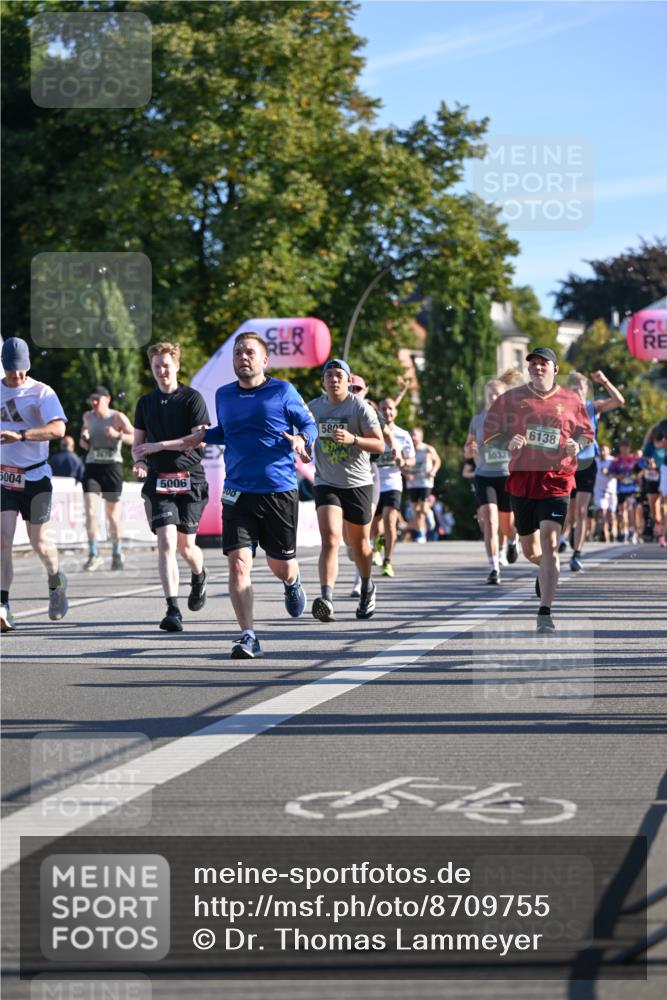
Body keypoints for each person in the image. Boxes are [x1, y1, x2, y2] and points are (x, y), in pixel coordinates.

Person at [181, 332, 317, 659]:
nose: (244, 356)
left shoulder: (283, 390)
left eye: (250, 352)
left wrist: (301, 440)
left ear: (264, 360)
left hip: (278, 490)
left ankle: (292, 580)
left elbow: (309, 425)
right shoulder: (224, 395)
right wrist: (202, 436)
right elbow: (228, 433)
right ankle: (248, 635)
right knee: (238, 563)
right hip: (237, 492)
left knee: (280, 564)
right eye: (238, 352)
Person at [483, 347, 593, 634]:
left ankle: (545, 610)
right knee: (532, 550)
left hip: (557, 479)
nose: (537, 367)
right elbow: (490, 434)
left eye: (543, 363)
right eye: (533, 363)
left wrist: (576, 445)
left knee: (550, 542)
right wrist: (508, 443)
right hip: (522, 480)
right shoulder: (511, 398)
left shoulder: (571, 400)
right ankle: (545, 573)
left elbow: (586, 432)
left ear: (555, 369)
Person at [131, 342, 210, 633]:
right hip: (159, 480)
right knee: (165, 542)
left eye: (166, 364)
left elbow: (198, 439)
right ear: (151, 369)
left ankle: (199, 574)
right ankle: (172, 608)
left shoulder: (192, 398)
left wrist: (159, 445)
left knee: (186, 546)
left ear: (176, 365)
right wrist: (139, 461)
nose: (162, 370)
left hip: (190, 478)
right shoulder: (145, 403)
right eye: (156, 366)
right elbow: (137, 446)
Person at [307, 358, 384, 622]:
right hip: (326, 482)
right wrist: (303, 446)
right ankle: (326, 599)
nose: (334, 379)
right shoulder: (314, 408)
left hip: (358, 483)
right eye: (329, 375)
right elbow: (304, 435)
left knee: (360, 545)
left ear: (349, 381)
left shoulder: (359, 407)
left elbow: (380, 445)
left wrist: (354, 439)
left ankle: (366, 586)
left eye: (339, 375)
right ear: (323, 381)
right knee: (330, 540)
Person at [0, 337, 68, 631]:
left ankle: (56, 580)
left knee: (39, 542)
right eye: (13, 370)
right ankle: (3, 605)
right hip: (4, 476)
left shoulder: (42, 392)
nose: (18, 376)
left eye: (22, 370)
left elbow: (58, 428)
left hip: (36, 477)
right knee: (3, 540)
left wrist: (23, 436)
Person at [562, 370, 624, 571]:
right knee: (569, 513)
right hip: (567, 465)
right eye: (573, 390)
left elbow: (619, 401)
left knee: (581, 510)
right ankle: (569, 532)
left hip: (588, 464)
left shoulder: (592, 407)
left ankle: (576, 553)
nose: (577, 393)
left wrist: (604, 381)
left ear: (586, 391)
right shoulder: (561, 410)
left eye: (580, 389)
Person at [464, 378, 518, 584]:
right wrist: (470, 449)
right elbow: (467, 448)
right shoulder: (477, 420)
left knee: (507, 526)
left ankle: (512, 541)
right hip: (484, 475)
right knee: (490, 522)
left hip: (506, 476)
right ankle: (494, 567)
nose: (493, 398)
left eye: (497, 395)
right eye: (490, 395)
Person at [79, 386, 134, 571]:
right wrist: (84, 438)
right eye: (92, 399)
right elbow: (83, 437)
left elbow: (135, 437)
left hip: (112, 468)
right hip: (93, 467)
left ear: (107, 399)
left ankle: (117, 552)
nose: (94, 402)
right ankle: (94, 554)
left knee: (112, 515)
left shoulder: (117, 417)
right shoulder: (88, 416)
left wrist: (118, 434)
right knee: (90, 512)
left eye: (98, 399)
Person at [370, 397, 415, 577]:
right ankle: (378, 541)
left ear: (395, 411)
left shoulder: (403, 435)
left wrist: (403, 461)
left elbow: (410, 458)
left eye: (390, 408)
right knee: (375, 525)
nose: (387, 412)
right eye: (383, 409)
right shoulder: (371, 431)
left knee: (390, 521)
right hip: (373, 482)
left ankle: (387, 561)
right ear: (379, 411)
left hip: (393, 482)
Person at [405, 427, 441, 543]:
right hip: (412, 482)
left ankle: (429, 513)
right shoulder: (407, 450)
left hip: (425, 481)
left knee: (423, 507)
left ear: (421, 437)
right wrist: (406, 474)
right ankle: (421, 533)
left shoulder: (428, 449)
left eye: (415, 435)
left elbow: (438, 461)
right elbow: (400, 465)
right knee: (415, 509)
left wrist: (433, 471)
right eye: (411, 435)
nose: (413, 438)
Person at [609, 439, 641, 543]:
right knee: (622, 511)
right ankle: (624, 531)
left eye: (626, 447)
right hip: (620, 489)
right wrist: (619, 476)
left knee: (631, 509)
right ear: (620, 448)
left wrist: (636, 476)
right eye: (622, 447)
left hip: (632, 489)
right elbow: (611, 473)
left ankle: (633, 531)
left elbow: (642, 471)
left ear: (629, 448)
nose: (624, 449)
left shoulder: (634, 459)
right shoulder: (616, 460)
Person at [593, 444, 618, 543]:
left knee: (611, 514)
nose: (602, 452)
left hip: (611, 491)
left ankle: (612, 530)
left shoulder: (613, 461)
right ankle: (605, 535)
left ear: (609, 451)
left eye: (605, 450)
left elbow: (619, 474)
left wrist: (608, 473)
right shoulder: (595, 461)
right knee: (602, 513)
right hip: (599, 490)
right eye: (601, 450)